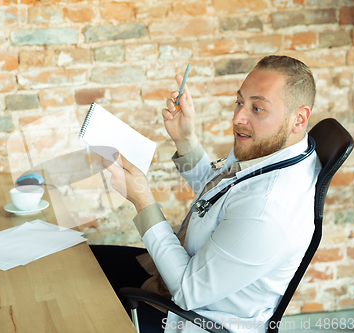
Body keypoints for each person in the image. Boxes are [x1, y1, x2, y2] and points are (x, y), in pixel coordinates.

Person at [90, 55, 322, 333]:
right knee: (82, 261)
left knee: (75, 303)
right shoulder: (276, 151)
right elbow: (219, 192)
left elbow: (188, 291)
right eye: (240, 102)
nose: (238, 118)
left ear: (299, 118)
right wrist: (185, 139)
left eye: (257, 108)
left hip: (190, 317)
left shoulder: (269, 209)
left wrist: (142, 199)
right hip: (172, 276)